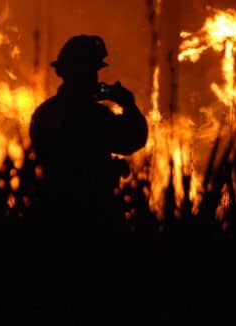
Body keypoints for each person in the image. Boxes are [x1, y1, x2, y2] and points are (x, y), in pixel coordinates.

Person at [29, 35, 148, 228]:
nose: (96, 78)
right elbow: (133, 139)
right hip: (93, 212)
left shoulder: (44, 112)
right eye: (93, 71)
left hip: (51, 210)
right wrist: (128, 104)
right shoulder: (93, 115)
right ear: (85, 74)